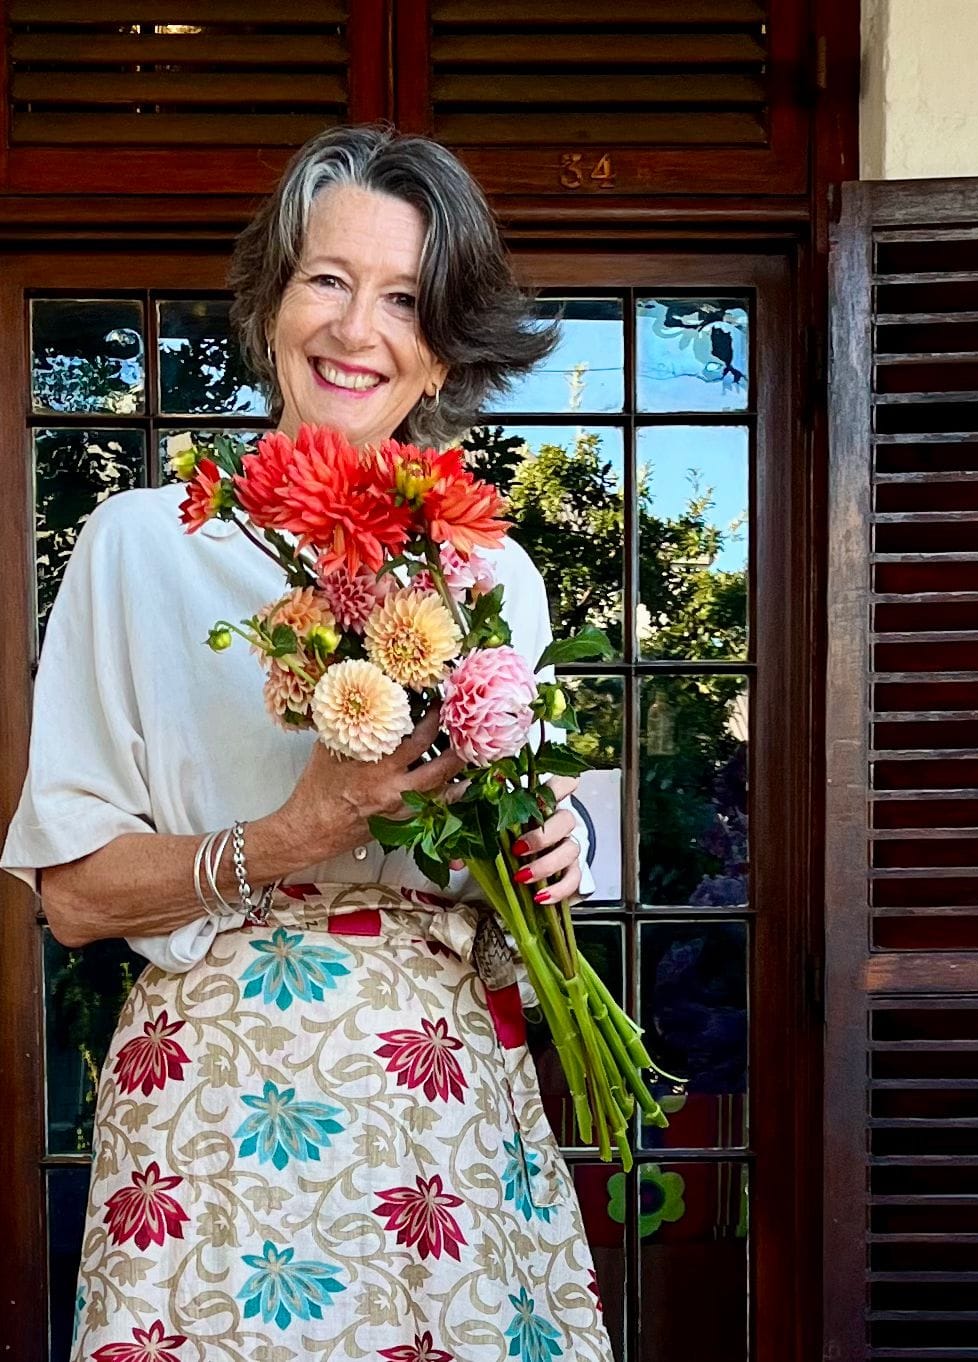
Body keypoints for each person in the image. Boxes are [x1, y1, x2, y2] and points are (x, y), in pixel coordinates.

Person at [2, 125, 615, 1362]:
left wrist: (559, 844)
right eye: (327, 280)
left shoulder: (493, 569)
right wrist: (292, 836)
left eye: (403, 299)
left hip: (444, 1100)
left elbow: (522, 827)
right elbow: (70, 899)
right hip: (216, 1100)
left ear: (441, 349)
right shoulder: (137, 547)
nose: (355, 330)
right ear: (270, 301)